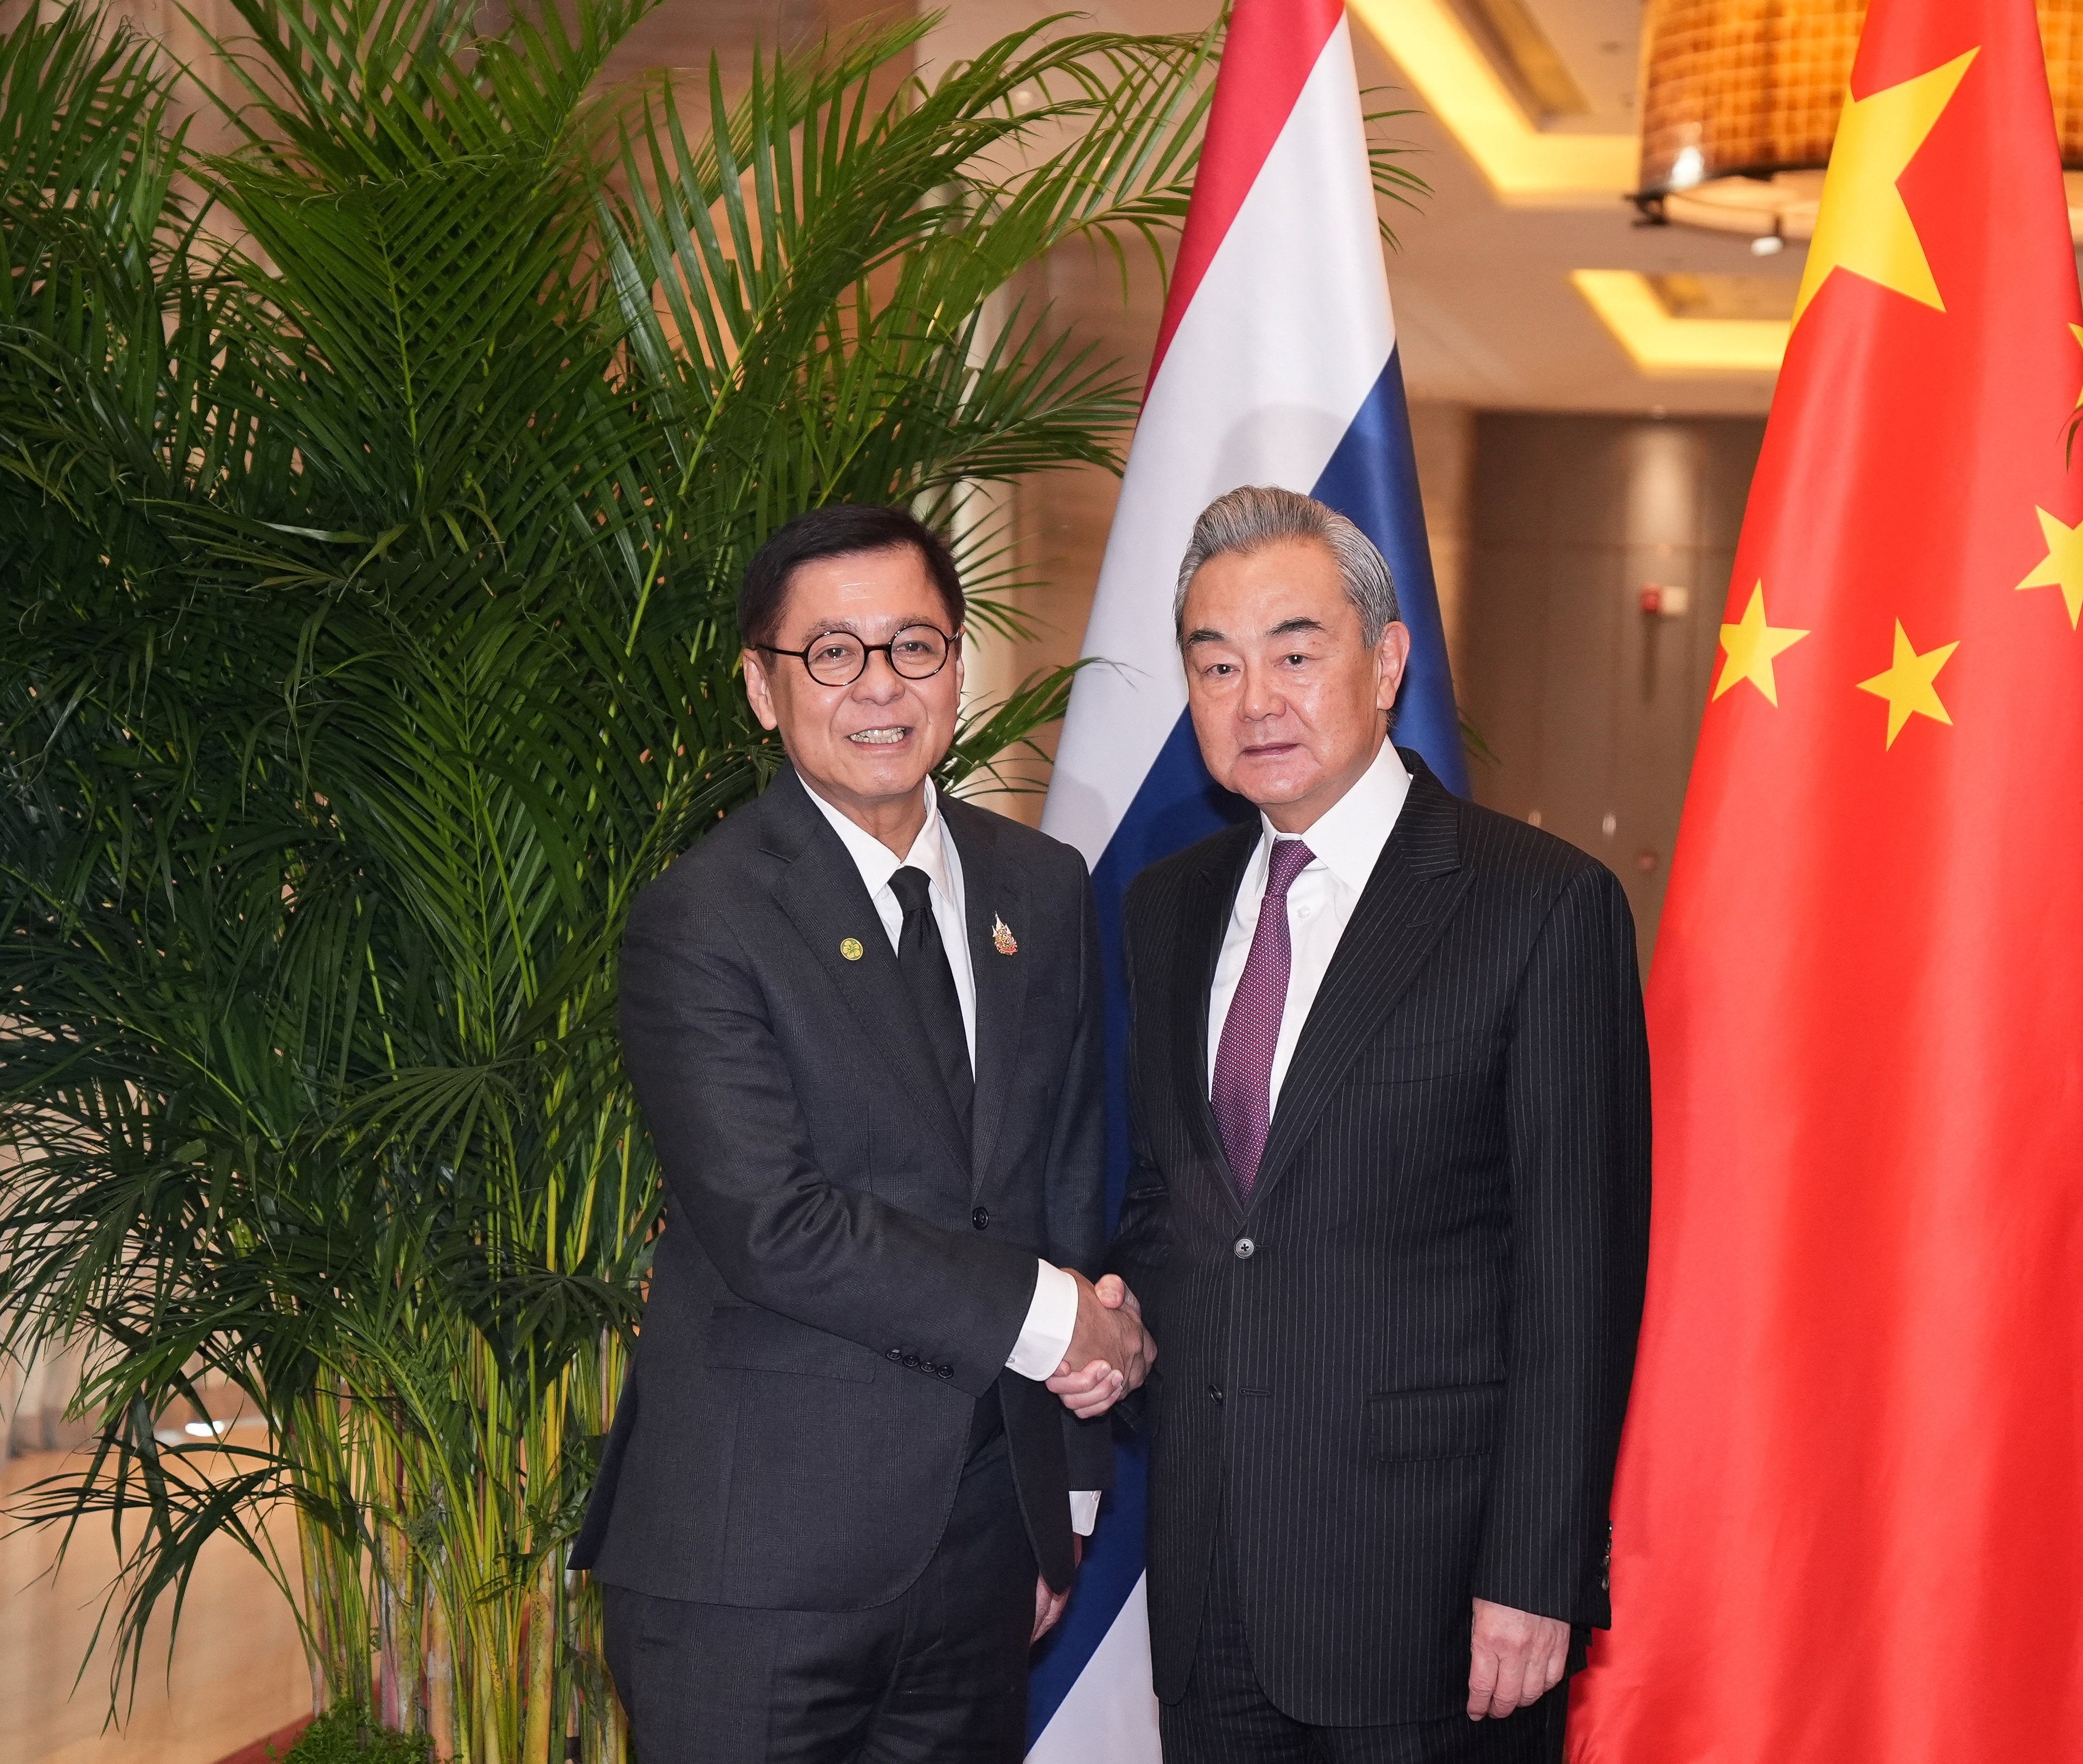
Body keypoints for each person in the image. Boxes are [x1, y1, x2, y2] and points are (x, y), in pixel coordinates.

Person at [1055, 485, 1650, 1761]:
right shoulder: (1166, 908)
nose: (1252, 696)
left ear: (1385, 662)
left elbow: (1576, 1278)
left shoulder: (1536, 906)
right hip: (1212, 1590)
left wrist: (1536, 1572)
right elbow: (1180, 1203)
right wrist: (1113, 1334)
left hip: (1432, 1602)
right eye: (1213, 663)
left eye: (1293, 650)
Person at [572, 504, 1154, 1763]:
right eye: (831, 654)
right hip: (751, 1572)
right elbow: (776, 1226)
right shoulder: (703, 921)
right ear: (761, 688)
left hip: (979, 1556)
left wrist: (1057, 1486)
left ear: (956, 664)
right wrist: (1059, 1317)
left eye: (914, 647)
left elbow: (1054, 1177)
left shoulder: (1039, 888)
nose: (878, 687)